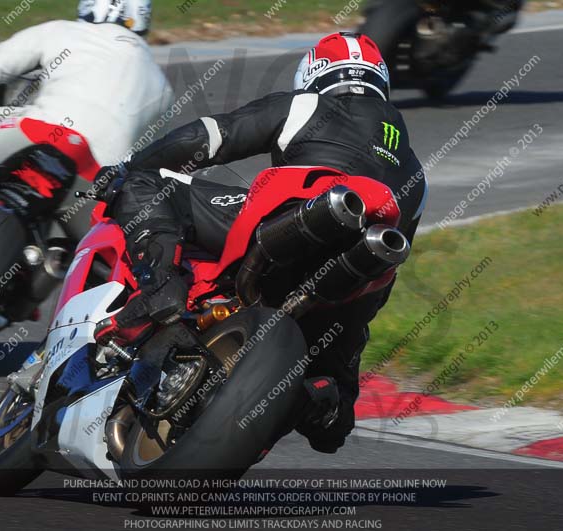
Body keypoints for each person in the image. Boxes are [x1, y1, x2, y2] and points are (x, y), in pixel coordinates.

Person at [109, 32, 428, 453]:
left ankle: (162, 286)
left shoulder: (307, 104)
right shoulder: (417, 173)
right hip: (351, 286)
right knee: (334, 424)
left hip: (289, 219)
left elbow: (209, 137)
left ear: (313, 75)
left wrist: (129, 166)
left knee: (144, 183)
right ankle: (316, 399)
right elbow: (388, 274)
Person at [0, 0, 173, 237]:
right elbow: (154, 159)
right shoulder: (164, 88)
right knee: (82, 253)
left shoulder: (65, 31)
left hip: (39, 133)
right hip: (97, 181)